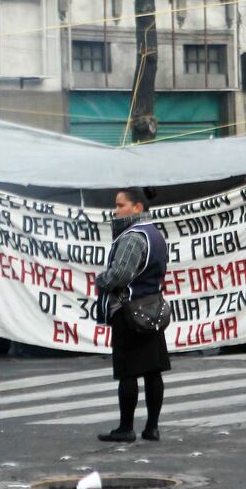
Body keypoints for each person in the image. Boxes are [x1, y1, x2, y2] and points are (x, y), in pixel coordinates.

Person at [95, 187, 171, 443]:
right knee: (153, 371)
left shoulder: (133, 236)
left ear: (137, 207)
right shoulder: (154, 233)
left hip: (129, 311)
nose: (115, 211)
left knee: (128, 372)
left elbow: (120, 275)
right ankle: (152, 427)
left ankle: (126, 428)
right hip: (152, 308)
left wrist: (101, 280)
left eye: (120, 205)